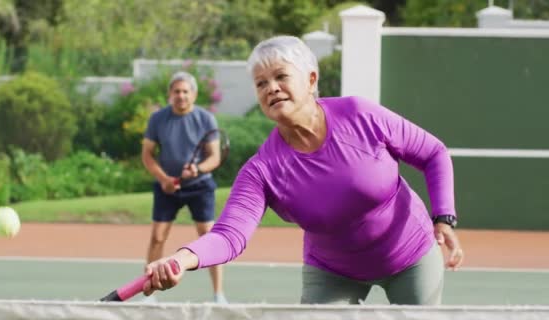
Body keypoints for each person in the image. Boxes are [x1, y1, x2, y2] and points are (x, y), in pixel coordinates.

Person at [142, 36, 464, 305]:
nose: (271, 88)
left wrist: (444, 217)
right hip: (333, 271)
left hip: (410, 255)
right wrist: (181, 260)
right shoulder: (262, 170)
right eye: (261, 83)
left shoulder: (360, 115)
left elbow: (433, 153)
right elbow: (228, 236)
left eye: (281, 76)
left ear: (311, 80)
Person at [141, 71, 227, 304]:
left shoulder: (206, 119)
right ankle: (150, 293)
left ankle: (218, 294)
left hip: (200, 186)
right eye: (176, 91)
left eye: (185, 91)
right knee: (158, 237)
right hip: (167, 187)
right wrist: (163, 178)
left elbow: (215, 157)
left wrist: (197, 170)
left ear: (194, 94)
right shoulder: (157, 119)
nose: (181, 96)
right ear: (170, 94)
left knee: (209, 237)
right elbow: (147, 155)